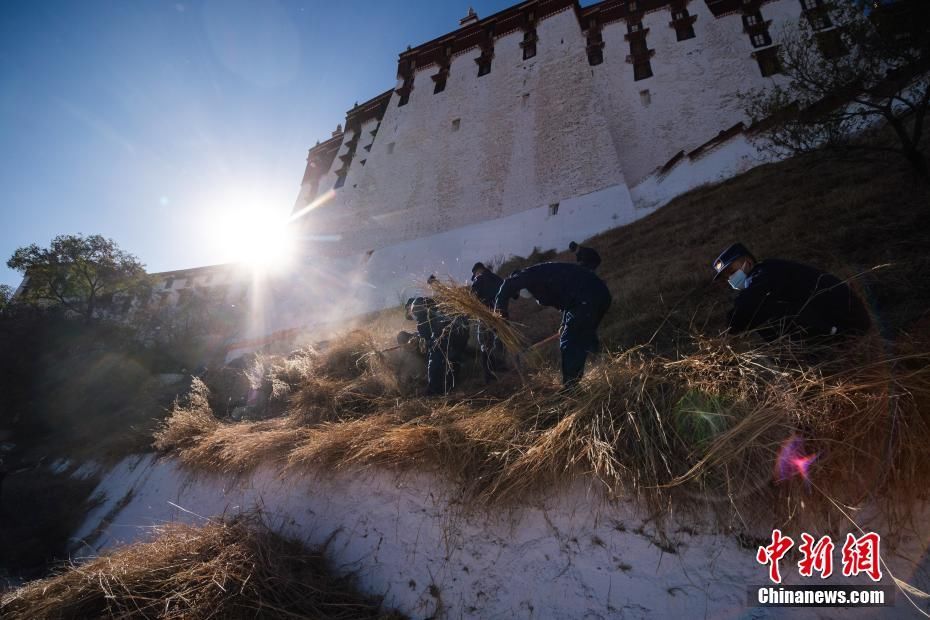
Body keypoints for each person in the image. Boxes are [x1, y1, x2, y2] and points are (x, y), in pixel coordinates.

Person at [712, 243, 872, 344]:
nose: (730, 278)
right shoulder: (766, 273)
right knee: (761, 315)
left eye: (731, 271)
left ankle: (819, 355)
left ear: (748, 263)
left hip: (848, 322)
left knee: (769, 312)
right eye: (726, 277)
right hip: (846, 320)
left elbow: (745, 308)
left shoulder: (766, 273)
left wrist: (728, 332)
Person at [494, 262, 612, 387]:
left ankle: (571, 388)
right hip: (600, 295)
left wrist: (499, 317)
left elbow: (507, 285)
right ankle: (599, 369)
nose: (520, 295)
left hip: (587, 298)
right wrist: (563, 324)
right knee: (585, 334)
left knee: (570, 340)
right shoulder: (544, 279)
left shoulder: (527, 275)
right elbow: (568, 304)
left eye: (518, 291)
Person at [405, 296, 469, 395]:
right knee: (449, 360)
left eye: (416, 314)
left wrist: (425, 342)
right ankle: (450, 384)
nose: (416, 319)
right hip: (458, 343)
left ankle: (435, 390)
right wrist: (417, 337)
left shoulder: (435, 321)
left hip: (451, 345)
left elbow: (436, 341)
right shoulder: (439, 315)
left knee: (435, 359)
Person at [470, 262, 505, 382]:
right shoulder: (497, 278)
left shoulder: (479, 280)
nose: (475, 276)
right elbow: (508, 291)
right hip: (500, 315)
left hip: (486, 316)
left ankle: (488, 374)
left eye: (475, 274)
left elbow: (472, 298)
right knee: (501, 339)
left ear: (478, 270)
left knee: (485, 344)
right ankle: (500, 365)